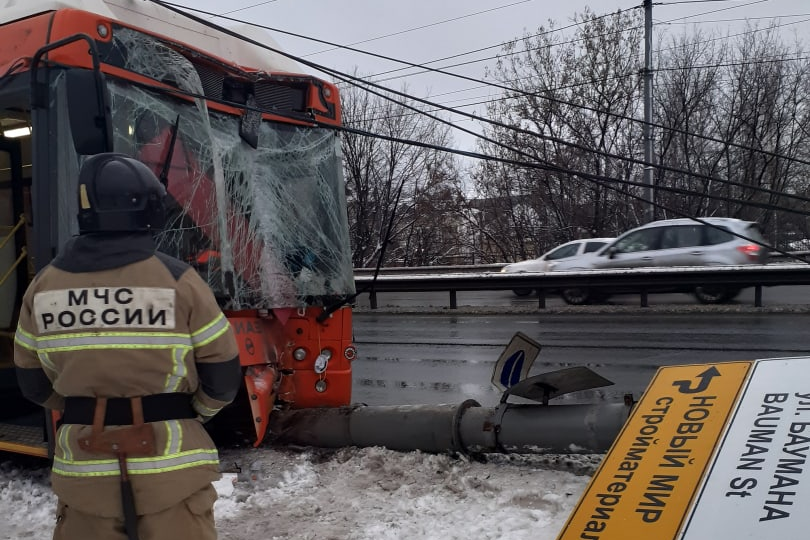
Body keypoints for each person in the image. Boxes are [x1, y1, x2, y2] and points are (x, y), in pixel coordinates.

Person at [13, 153, 241, 540]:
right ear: (148, 209)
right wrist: (190, 414)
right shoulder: (180, 281)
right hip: (173, 477)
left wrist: (85, 410)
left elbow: (33, 384)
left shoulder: (43, 287)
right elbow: (222, 377)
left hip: (83, 478)